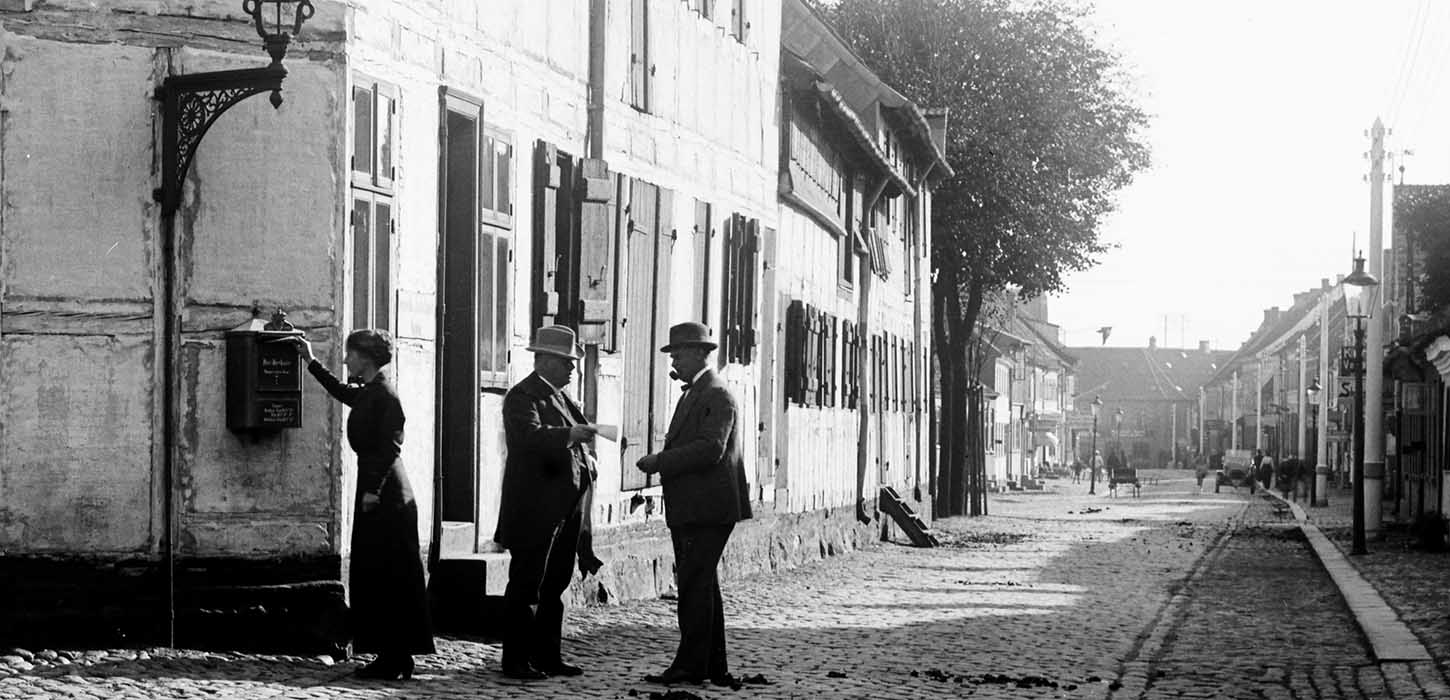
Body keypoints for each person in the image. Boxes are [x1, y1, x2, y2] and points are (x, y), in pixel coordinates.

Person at [288, 330, 434, 680]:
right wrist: (309, 360)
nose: (346, 360)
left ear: (365, 358)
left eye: (350, 354)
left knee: (387, 574)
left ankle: (393, 655)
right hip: (377, 490)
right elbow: (341, 391)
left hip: (386, 495)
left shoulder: (385, 394)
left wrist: (373, 489)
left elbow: (391, 447)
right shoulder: (371, 391)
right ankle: (394, 654)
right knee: (377, 573)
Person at [637, 322, 752, 687]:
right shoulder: (696, 393)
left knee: (692, 585)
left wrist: (661, 462)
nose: (675, 362)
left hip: (709, 508)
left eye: (679, 354)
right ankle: (712, 665)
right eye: (673, 355)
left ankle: (690, 666)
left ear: (700, 354)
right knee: (701, 585)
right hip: (693, 506)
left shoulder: (716, 394)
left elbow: (710, 449)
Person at [495, 325, 602, 680]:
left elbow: (573, 443)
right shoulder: (523, 397)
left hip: (565, 508)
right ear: (542, 360)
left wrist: (587, 458)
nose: (573, 369)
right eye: (565, 362)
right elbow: (528, 440)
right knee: (527, 585)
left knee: (555, 585)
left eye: (572, 362)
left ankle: (547, 657)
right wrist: (570, 435)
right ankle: (516, 661)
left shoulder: (562, 397)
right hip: (535, 509)